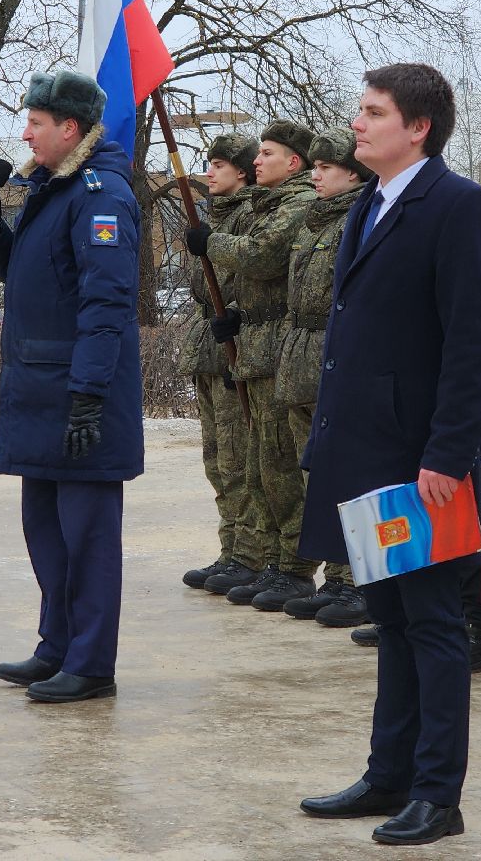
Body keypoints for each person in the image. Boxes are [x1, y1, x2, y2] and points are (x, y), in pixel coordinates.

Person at [296, 64, 481, 846]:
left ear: (418, 127)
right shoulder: (370, 203)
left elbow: (475, 344)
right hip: (364, 453)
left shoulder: (461, 208)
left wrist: (449, 454)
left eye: (374, 112)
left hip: (421, 462)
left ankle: (435, 794)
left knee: (432, 624)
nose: (358, 123)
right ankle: (388, 774)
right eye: (360, 109)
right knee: (389, 618)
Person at [0, 69, 142, 704]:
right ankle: (57, 646)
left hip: (79, 395)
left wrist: (90, 393)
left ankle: (91, 663)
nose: (25, 133)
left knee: (87, 536)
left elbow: (106, 301)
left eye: (36, 123)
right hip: (41, 391)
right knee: (46, 529)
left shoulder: (100, 195)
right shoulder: (52, 190)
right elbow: (30, 277)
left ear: (70, 129)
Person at [187, 120, 319, 611]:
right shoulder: (265, 206)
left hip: (279, 348)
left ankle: (287, 563)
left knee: (280, 464)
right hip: (257, 344)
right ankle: (258, 555)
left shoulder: (296, 204)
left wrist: (211, 242)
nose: (256, 161)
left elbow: (262, 260)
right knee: (246, 461)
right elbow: (219, 282)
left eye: (267, 153)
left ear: (295, 162)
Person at [275, 127, 370, 629]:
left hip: (332, 354)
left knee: (342, 474)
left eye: (325, 167)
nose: (315, 174)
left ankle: (355, 579)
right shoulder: (316, 219)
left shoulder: (358, 218)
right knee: (311, 476)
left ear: (352, 173)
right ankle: (333, 576)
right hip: (301, 354)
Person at [180, 133, 261, 591]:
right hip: (209, 350)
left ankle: (248, 554)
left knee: (237, 460)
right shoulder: (209, 217)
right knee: (216, 459)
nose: (209, 172)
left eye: (219, 164)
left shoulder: (249, 217)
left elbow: (242, 280)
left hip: (236, 348)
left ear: (243, 171)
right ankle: (231, 547)